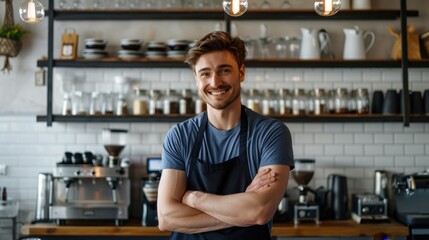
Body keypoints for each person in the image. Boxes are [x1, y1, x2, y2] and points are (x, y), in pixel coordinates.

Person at [157, 31, 294, 240]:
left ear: (241, 73)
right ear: (196, 78)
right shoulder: (180, 136)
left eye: (224, 70)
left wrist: (193, 198)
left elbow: (260, 211)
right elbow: (167, 218)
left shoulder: (270, 133)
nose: (215, 82)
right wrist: (242, 209)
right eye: (205, 73)